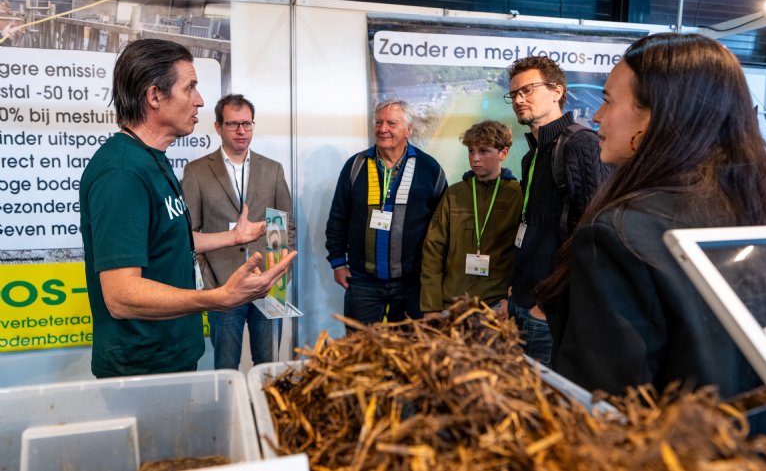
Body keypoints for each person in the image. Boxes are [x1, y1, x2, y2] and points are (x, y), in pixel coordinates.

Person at [536, 33, 766, 465]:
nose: (597, 116)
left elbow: (605, 415)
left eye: (608, 100)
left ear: (655, 118)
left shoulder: (619, 234)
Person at [79, 39, 296, 378]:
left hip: (174, 355)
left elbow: (174, 240)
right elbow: (120, 295)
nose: (200, 100)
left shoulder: (155, 160)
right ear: (155, 96)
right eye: (190, 87)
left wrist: (232, 236)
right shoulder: (121, 171)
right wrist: (217, 297)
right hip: (143, 368)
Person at [504, 56, 609, 364]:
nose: (519, 99)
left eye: (528, 90)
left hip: (549, 309)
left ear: (557, 91)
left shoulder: (581, 145)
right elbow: (532, 228)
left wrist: (550, 300)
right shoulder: (531, 156)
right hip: (522, 301)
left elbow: (594, 237)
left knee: (545, 405)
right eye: (514, 94)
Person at [182, 94, 295, 370]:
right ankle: (228, 414)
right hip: (222, 288)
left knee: (268, 367)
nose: (241, 131)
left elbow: (284, 227)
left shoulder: (273, 170)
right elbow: (189, 234)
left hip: (267, 288)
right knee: (225, 368)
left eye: (247, 123)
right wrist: (209, 285)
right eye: (233, 124)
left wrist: (277, 277)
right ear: (218, 127)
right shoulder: (196, 172)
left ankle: (265, 413)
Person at [325, 100, 447, 328]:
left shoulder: (430, 169)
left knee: (408, 352)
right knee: (360, 352)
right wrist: (338, 263)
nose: (383, 129)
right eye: (379, 122)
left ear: (408, 130)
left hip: (412, 283)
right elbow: (338, 217)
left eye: (392, 123)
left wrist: (435, 278)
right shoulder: (355, 165)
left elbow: (441, 229)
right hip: (362, 281)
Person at [420, 120, 521, 316]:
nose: (475, 158)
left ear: (504, 153)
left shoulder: (518, 194)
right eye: (471, 151)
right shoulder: (454, 194)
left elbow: (528, 254)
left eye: (483, 151)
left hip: (497, 308)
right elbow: (433, 250)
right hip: (453, 305)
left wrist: (513, 300)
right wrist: (431, 306)